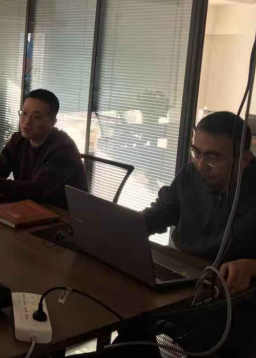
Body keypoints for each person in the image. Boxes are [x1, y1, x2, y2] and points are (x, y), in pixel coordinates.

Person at [105, 111, 256, 358]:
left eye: (213, 157)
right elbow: (160, 214)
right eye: (196, 152)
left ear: (245, 160)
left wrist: (251, 266)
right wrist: (119, 227)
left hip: (231, 299)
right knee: (127, 316)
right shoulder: (190, 175)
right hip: (185, 279)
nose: (201, 165)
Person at [0, 89, 88, 208]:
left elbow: (37, 190)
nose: (27, 121)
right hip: (30, 207)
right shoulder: (18, 140)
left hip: (64, 217)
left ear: (52, 122)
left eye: (36, 117)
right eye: (24, 113)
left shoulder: (63, 149)